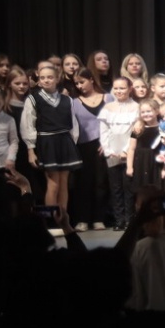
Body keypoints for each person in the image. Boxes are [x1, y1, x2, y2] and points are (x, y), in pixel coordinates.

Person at [22, 63, 82, 211]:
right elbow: (28, 124)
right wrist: (31, 150)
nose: (46, 80)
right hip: (47, 142)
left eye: (50, 77)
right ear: (39, 80)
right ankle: (51, 219)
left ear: (57, 79)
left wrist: (72, 144)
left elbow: (73, 124)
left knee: (63, 184)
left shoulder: (66, 100)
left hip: (64, 141)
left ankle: (63, 217)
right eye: (43, 78)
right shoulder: (33, 99)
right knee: (53, 184)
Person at [68, 71, 108, 230]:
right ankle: (83, 219)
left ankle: (99, 218)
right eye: (76, 83)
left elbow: (114, 122)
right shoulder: (74, 102)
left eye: (82, 81)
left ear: (91, 79)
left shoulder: (108, 98)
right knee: (83, 182)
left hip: (104, 144)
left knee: (101, 182)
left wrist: (107, 142)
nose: (79, 86)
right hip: (83, 146)